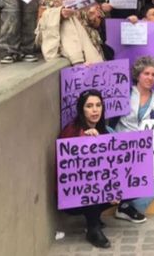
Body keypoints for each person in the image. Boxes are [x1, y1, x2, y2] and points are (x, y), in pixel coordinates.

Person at [113, 56, 154, 222]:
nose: (150, 77)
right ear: (138, 75)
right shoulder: (123, 94)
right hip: (121, 142)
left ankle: (131, 206)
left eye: (153, 75)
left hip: (146, 147)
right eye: (146, 73)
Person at [58, 90, 114, 248]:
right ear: (81, 110)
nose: (95, 110)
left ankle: (95, 216)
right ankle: (93, 228)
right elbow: (74, 172)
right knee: (93, 182)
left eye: (98, 105)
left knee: (133, 188)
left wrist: (115, 188)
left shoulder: (104, 130)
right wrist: (85, 141)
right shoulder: (72, 131)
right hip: (73, 198)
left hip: (96, 187)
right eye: (89, 106)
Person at [36, 0, 104, 65]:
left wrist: (92, 18)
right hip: (64, 47)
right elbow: (41, 23)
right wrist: (60, 15)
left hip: (90, 44)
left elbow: (97, 24)